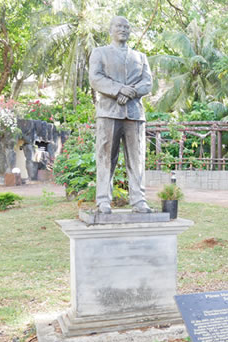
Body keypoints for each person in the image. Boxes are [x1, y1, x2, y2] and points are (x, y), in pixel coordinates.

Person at [89, 16, 153, 214]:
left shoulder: (140, 57)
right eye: (119, 26)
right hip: (109, 113)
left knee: (137, 158)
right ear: (110, 30)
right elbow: (96, 78)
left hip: (134, 114)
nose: (123, 29)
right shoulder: (99, 53)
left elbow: (148, 83)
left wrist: (131, 92)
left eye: (127, 27)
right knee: (106, 157)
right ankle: (103, 200)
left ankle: (139, 200)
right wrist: (119, 90)